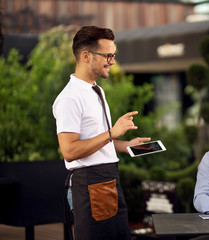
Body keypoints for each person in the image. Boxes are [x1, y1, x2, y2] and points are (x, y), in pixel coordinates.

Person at [52, 26, 150, 240]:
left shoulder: (97, 90)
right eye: (107, 55)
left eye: (113, 55)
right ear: (86, 56)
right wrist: (112, 133)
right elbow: (69, 150)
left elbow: (96, 141)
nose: (112, 61)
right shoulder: (70, 98)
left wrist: (125, 145)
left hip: (109, 181)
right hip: (89, 185)